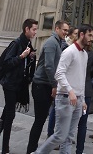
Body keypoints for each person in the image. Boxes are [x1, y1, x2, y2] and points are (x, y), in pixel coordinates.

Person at [30, 23, 93, 154]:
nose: (92, 38)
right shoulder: (69, 52)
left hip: (77, 100)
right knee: (60, 135)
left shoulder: (85, 55)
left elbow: (81, 78)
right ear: (81, 35)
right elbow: (59, 73)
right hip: (65, 98)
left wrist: (82, 99)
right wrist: (70, 91)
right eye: (90, 35)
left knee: (69, 137)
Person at [26, 20, 69, 154]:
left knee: (41, 119)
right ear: (57, 28)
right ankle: (31, 150)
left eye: (67, 30)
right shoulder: (51, 43)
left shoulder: (58, 43)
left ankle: (33, 150)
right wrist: (54, 85)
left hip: (45, 85)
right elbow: (49, 66)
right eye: (64, 30)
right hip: (41, 85)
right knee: (39, 120)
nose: (66, 33)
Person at [0, 18, 38, 154]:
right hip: (9, 83)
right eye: (33, 29)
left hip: (18, 84)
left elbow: (25, 65)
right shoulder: (16, 43)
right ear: (26, 29)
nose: (35, 32)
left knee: (6, 114)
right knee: (10, 114)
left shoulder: (27, 43)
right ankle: (5, 148)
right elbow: (7, 62)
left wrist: (30, 57)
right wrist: (22, 56)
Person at [75, 31, 93, 154]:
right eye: (90, 36)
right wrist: (90, 77)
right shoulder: (91, 55)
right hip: (85, 91)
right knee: (82, 122)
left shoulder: (74, 52)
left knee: (69, 121)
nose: (91, 39)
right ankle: (79, 150)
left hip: (74, 89)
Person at [47, 26, 76, 138]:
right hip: (62, 84)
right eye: (75, 34)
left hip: (67, 84)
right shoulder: (65, 47)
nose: (77, 36)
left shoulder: (73, 48)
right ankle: (52, 135)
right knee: (55, 110)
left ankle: (61, 136)